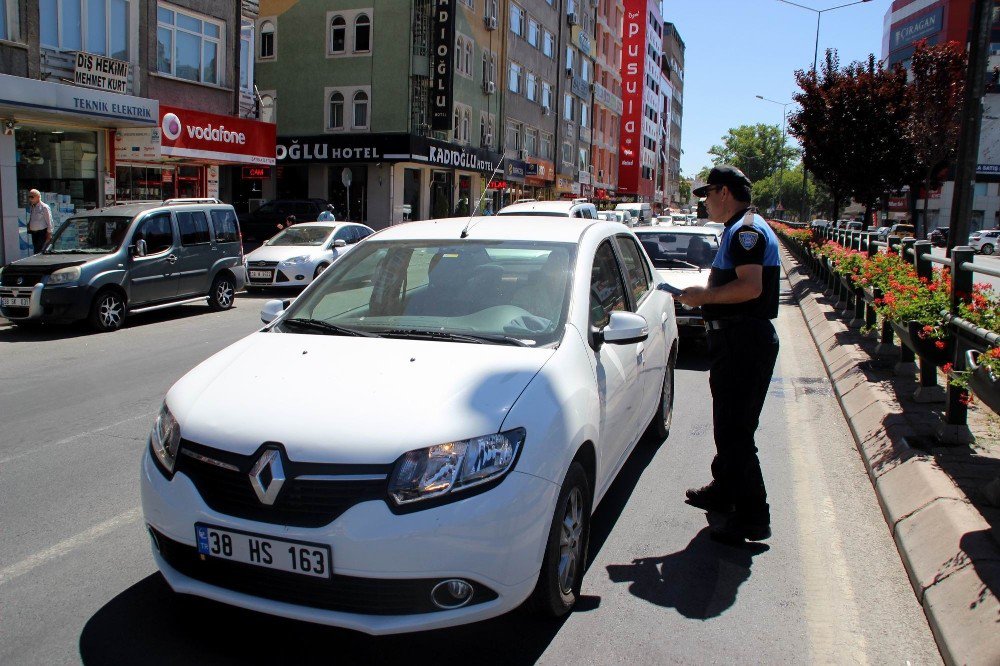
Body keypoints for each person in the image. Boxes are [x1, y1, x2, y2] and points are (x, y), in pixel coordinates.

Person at [676, 165, 781, 544]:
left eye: (706, 195)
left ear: (724, 192)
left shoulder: (746, 231)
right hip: (736, 341)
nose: (703, 203)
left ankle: (754, 518)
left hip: (744, 341)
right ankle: (725, 490)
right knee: (728, 426)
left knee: (736, 432)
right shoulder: (740, 227)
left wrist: (703, 296)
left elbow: (750, 288)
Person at [26, 189, 52, 254]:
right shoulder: (32, 207)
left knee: (40, 250)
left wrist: (49, 233)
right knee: (36, 250)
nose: (30, 199)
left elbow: (49, 221)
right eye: (29, 197)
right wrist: (29, 225)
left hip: (42, 233)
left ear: (38, 197)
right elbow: (32, 218)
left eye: (32, 197)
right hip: (34, 233)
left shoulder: (44, 207)